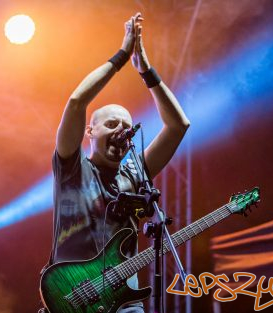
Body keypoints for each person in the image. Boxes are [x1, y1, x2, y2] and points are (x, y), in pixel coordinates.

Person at [49, 12, 190, 312]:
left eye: (126, 127)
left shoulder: (136, 173)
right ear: (90, 130)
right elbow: (76, 102)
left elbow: (178, 125)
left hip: (124, 304)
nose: (121, 131)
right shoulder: (71, 167)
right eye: (111, 124)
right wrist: (123, 56)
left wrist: (147, 71)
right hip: (73, 299)